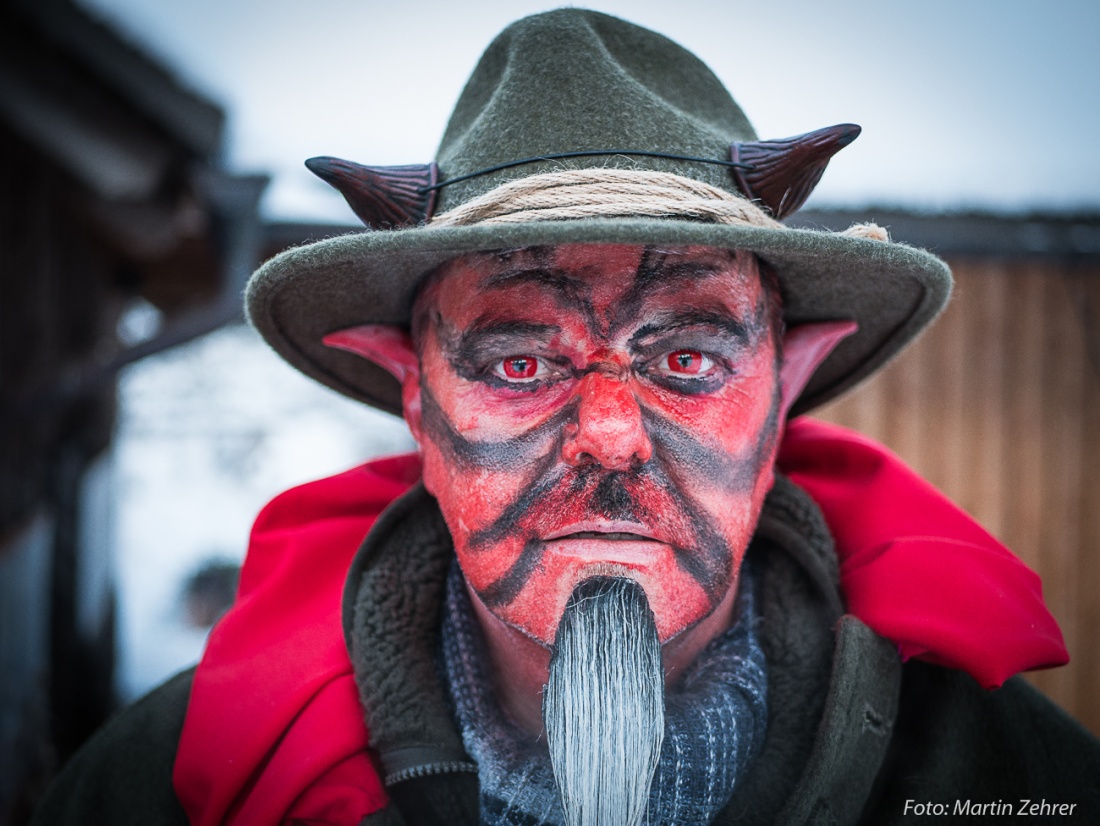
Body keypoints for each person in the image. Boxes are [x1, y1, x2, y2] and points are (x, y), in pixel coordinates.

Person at [34, 9, 1100, 825]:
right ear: (413, 391)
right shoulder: (165, 787)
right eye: (517, 358)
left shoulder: (1008, 780)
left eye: (685, 356)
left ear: (784, 387)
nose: (609, 435)